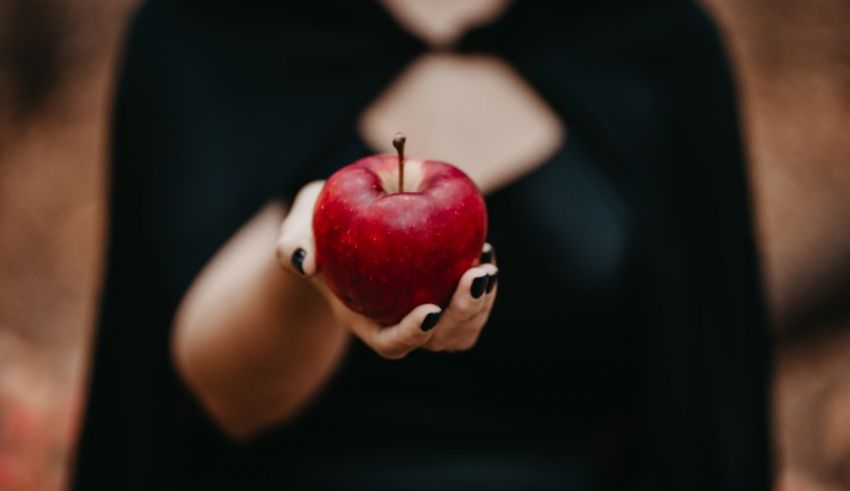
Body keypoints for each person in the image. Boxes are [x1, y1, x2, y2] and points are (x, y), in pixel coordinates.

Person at [73, 1, 772, 490]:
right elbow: (216, 398)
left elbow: (715, 379)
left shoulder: (657, 42)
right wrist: (307, 274)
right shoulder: (203, 32)